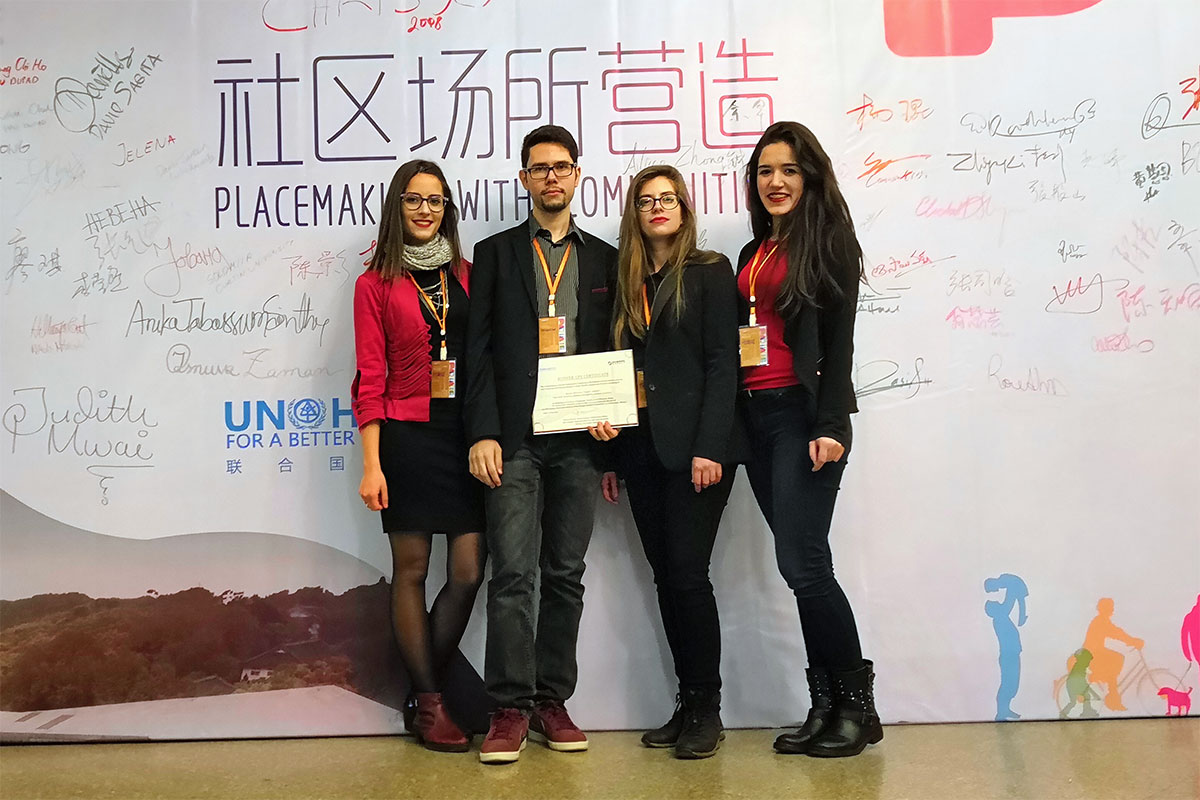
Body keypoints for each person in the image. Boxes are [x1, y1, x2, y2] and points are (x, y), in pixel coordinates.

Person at [463, 125, 618, 764]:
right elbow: (477, 353)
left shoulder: (606, 258)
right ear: (524, 179)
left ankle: (552, 700)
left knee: (564, 575)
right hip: (516, 440)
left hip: (580, 440)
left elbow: (616, 347)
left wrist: (612, 423)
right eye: (539, 168)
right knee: (511, 574)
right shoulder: (495, 253)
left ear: (577, 174)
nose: (551, 177)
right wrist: (482, 433)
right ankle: (508, 708)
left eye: (561, 166)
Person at [734, 121, 880, 758]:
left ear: (810, 177)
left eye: (789, 170)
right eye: (766, 171)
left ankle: (858, 709)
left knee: (805, 564)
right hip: (756, 419)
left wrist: (830, 424)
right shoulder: (755, 249)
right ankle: (824, 706)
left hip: (802, 416)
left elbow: (840, 344)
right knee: (799, 567)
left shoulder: (829, 243)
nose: (776, 181)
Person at [600, 165, 744, 759]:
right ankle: (686, 704)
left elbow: (723, 364)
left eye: (667, 198)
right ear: (634, 214)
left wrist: (711, 445)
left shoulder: (710, 271)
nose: (657, 207)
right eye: (646, 200)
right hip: (638, 448)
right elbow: (612, 368)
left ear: (684, 208)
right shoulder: (624, 279)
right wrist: (609, 452)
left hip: (696, 452)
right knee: (666, 578)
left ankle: (708, 709)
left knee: (688, 575)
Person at [352, 159, 485, 753]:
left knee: (468, 572)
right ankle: (431, 705)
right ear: (397, 207)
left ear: (447, 208)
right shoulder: (374, 284)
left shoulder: (468, 275)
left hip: (466, 437)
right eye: (413, 200)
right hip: (405, 438)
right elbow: (370, 376)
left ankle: (418, 691)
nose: (425, 210)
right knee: (411, 569)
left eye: (435, 200)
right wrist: (372, 464)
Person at [1082, 597, 1144, 711]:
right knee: (1117, 660)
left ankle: (1111, 692)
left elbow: (1116, 632)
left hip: (1094, 652)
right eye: (1110, 607)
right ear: (1105, 609)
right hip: (1092, 653)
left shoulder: (1101, 620)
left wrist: (1132, 640)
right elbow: (1116, 633)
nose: (1113, 610)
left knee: (1114, 665)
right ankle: (1110, 696)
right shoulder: (1101, 621)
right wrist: (1133, 641)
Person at [984, 573, 1029, 721]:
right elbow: (1008, 604)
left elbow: (1009, 603)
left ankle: (1005, 710)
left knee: (1012, 684)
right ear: (994, 611)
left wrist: (1015, 593)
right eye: (997, 604)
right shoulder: (1000, 618)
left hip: (1012, 654)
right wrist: (1012, 589)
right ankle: (1001, 713)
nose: (999, 603)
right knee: (1008, 684)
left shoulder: (1001, 617)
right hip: (1008, 656)